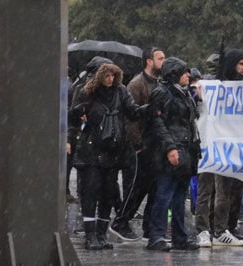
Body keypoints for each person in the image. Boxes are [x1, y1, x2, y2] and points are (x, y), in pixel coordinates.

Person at [68, 63, 143, 250]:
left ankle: (102, 233)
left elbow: (132, 111)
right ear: (100, 76)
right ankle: (91, 234)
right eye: (107, 76)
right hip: (91, 149)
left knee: (108, 193)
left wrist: (148, 109)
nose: (110, 79)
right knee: (90, 192)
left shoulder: (121, 92)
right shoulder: (87, 92)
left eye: (113, 76)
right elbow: (73, 115)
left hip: (112, 149)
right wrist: (80, 113)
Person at [145, 57, 201, 251]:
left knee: (179, 198)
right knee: (164, 195)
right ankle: (157, 236)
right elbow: (157, 124)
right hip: (170, 152)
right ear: (175, 74)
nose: (188, 75)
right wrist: (170, 148)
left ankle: (180, 236)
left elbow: (190, 120)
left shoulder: (183, 94)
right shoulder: (162, 93)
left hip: (186, 151)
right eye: (185, 72)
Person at [111, 47, 165, 241]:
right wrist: (138, 144)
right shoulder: (137, 84)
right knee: (137, 187)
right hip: (141, 146)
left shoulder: (158, 82)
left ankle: (149, 228)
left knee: (154, 187)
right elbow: (130, 117)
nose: (163, 61)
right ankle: (121, 222)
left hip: (155, 144)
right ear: (149, 61)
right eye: (160, 58)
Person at [209, 48, 243, 246]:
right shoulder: (219, 86)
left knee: (237, 190)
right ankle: (219, 229)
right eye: (240, 64)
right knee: (223, 191)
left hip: (240, 146)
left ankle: (230, 226)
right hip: (223, 145)